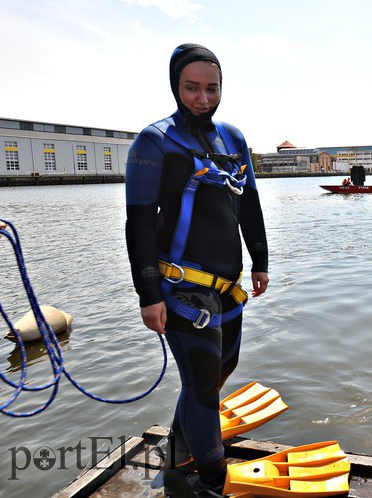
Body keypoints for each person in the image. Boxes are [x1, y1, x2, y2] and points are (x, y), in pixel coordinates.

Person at [125, 43, 269, 494]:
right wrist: (148, 294)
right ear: (175, 85)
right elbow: (139, 222)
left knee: (218, 373)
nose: (203, 98)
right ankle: (210, 480)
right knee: (204, 387)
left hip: (229, 284)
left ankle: (177, 455)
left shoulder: (234, 138)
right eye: (192, 88)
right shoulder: (155, 141)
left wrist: (261, 259)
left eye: (212, 88)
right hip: (182, 288)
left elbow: (249, 204)